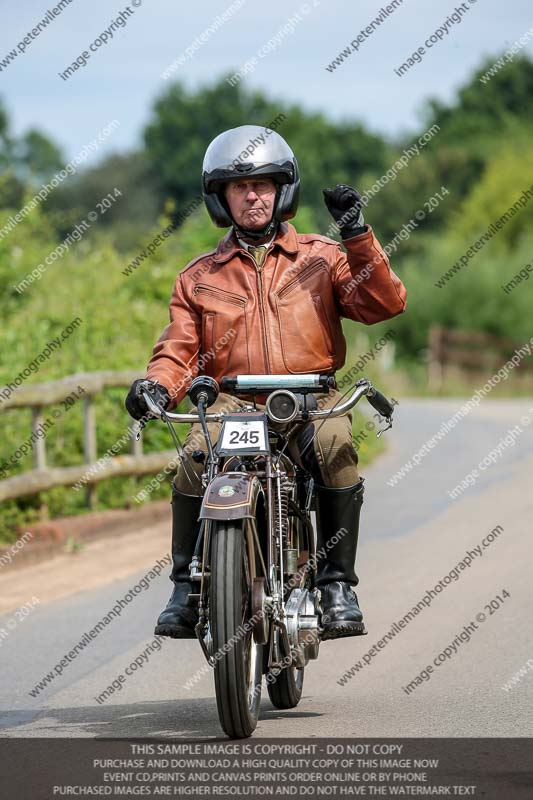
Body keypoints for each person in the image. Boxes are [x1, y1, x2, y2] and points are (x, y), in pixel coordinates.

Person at [125, 124, 407, 642]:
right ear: (221, 198)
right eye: (239, 187)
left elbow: (383, 303)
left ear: (284, 190)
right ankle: (187, 587)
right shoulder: (199, 276)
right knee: (193, 454)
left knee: (336, 443)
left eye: (263, 184)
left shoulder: (323, 257)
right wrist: (157, 385)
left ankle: (337, 585)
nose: (252, 195)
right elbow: (180, 347)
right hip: (233, 401)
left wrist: (358, 236)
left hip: (308, 396)